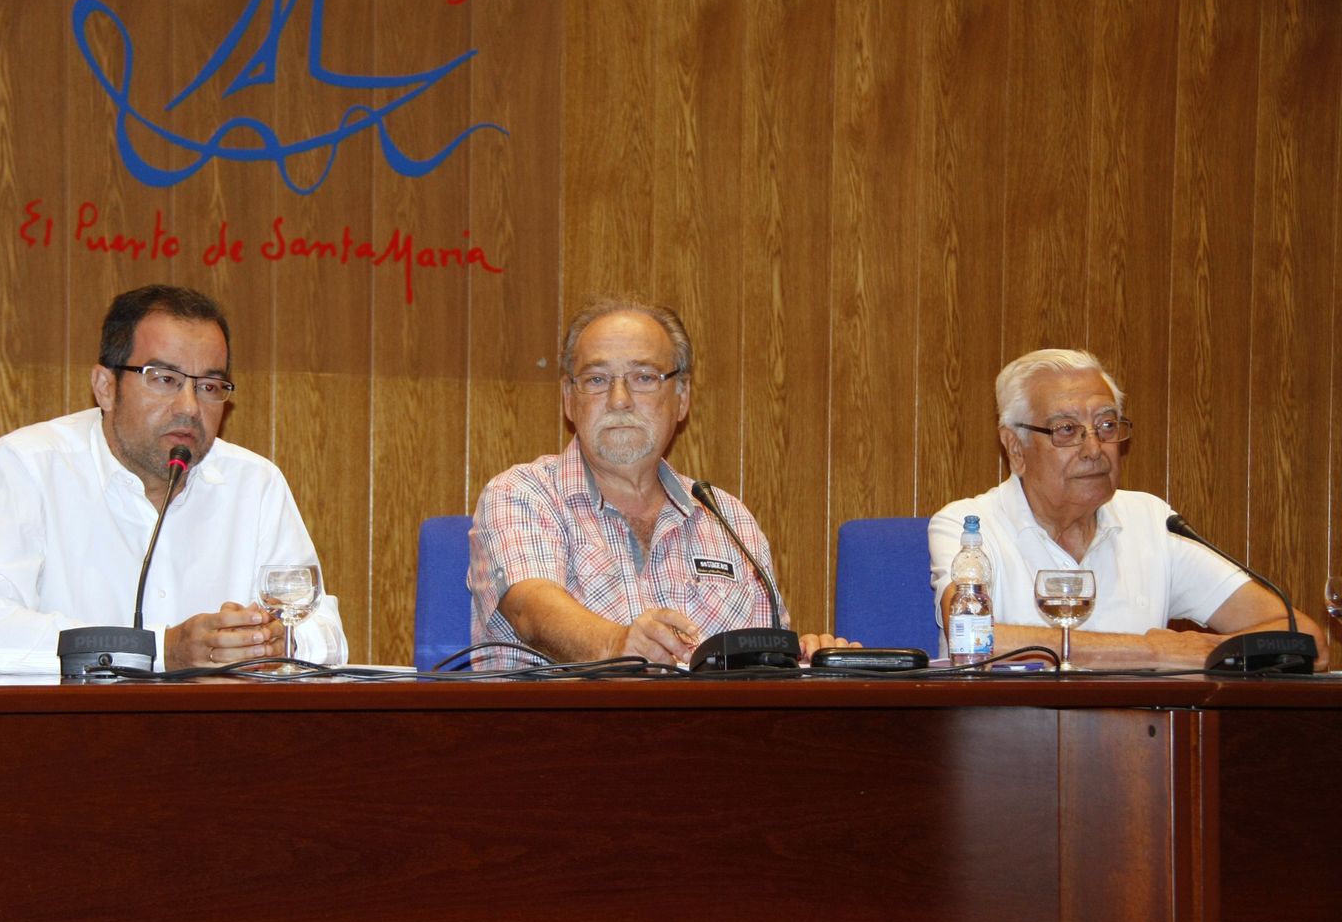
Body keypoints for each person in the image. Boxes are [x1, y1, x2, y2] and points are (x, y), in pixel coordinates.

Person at [0, 284, 347, 673]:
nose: (188, 406)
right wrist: (156, 650)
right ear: (105, 387)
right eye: (164, 379)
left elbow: (325, 630)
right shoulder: (28, 465)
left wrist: (278, 643)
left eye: (209, 386)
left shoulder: (255, 484)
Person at [469, 297, 849, 666]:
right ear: (570, 399)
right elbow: (530, 610)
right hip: (562, 730)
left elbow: (767, 661)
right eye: (597, 379)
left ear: (681, 397)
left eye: (644, 377)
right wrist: (617, 646)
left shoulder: (726, 518)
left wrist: (807, 659)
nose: (619, 399)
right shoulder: (523, 493)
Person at [928, 348, 1327, 670]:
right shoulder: (968, 526)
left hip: (1142, 750)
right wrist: (1157, 651)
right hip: (1008, 748)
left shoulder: (1152, 522)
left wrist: (1198, 649)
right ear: (1015, 448)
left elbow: (1303, 637)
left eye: (1106, 426)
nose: (1094, 449)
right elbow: (977, 639)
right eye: (1067, 430)